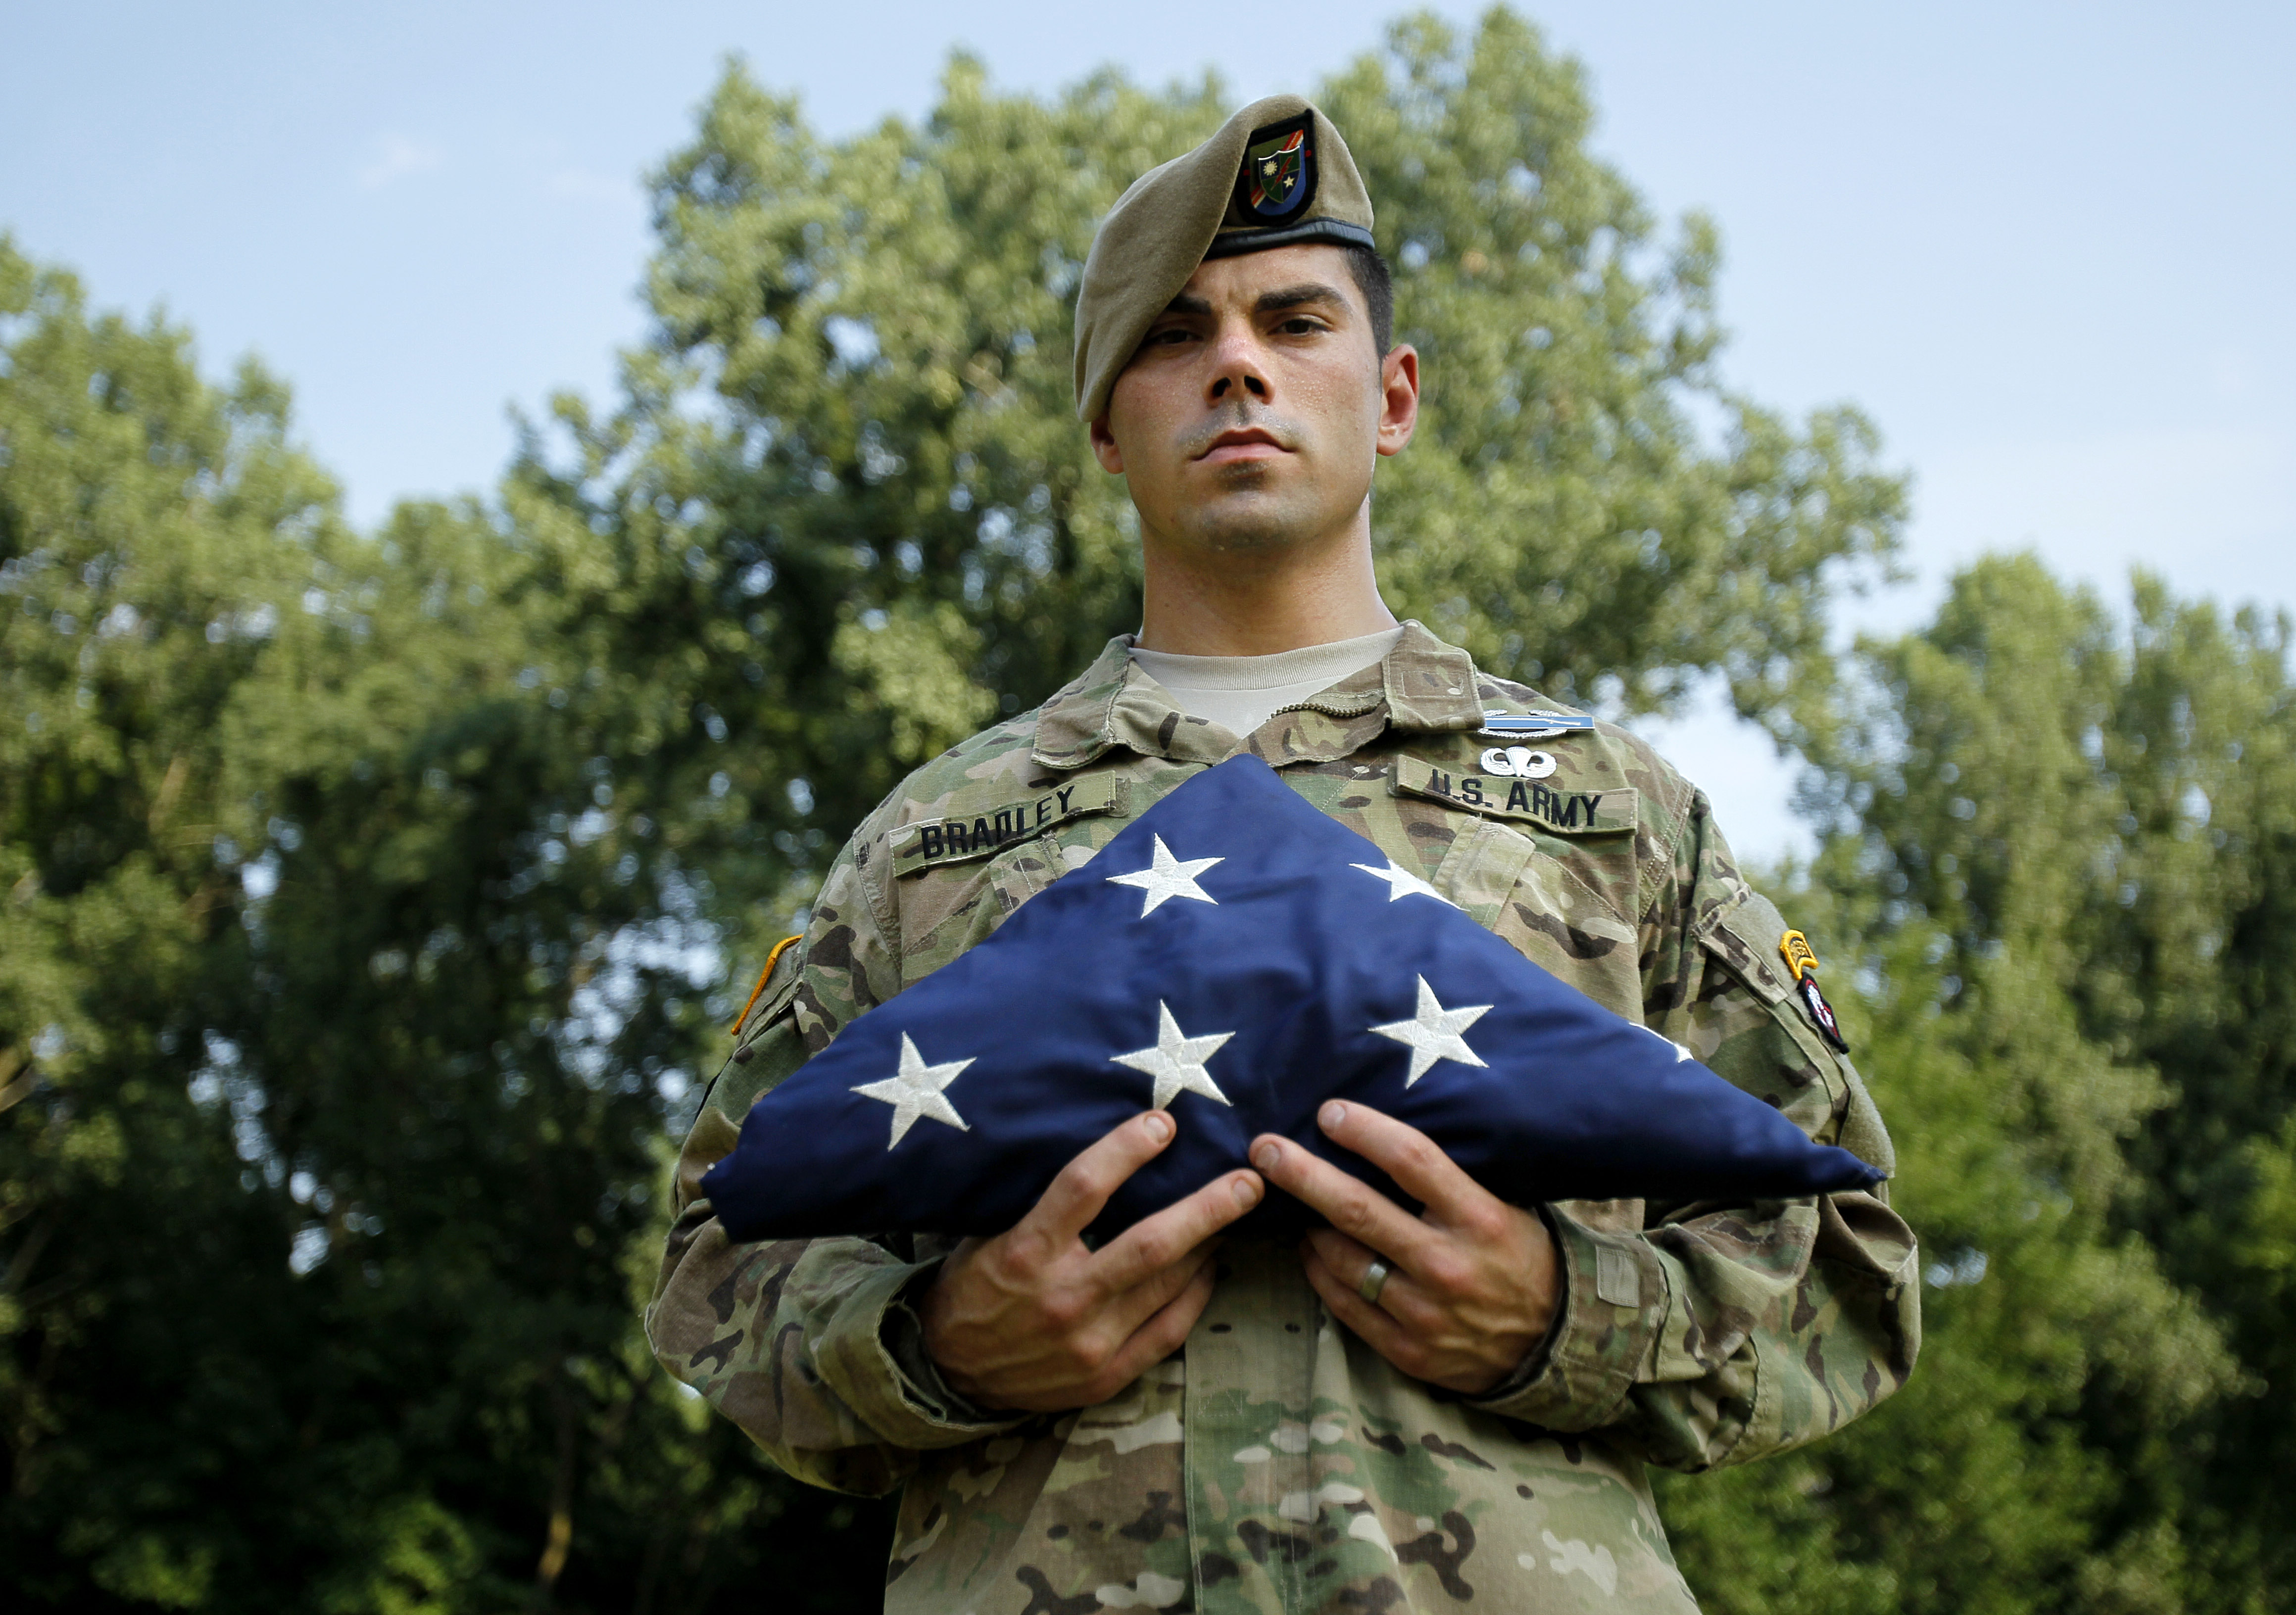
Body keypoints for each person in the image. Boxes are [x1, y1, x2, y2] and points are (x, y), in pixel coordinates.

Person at [646, 95, 1920, 1615]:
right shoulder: (932, 838)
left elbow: (1849, 1255)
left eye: (1292, 318)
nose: (1237, 362)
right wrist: (938, 1343)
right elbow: (720, 1258)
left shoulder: (1607, 807)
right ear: (1110, 429)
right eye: (1176, 334)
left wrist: (1565, 1313)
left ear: (1391, 397)